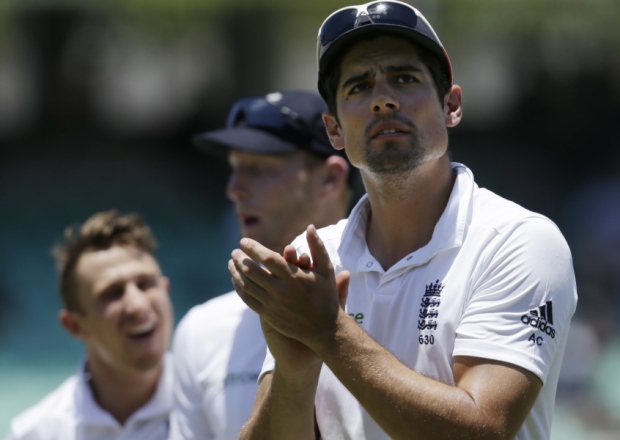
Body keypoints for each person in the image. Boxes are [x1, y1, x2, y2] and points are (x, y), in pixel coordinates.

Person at [228, 2, 578, 439]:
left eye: (405, 79)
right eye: (358, 87)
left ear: (451, 106)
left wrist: (330, 334)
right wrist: (295, 374)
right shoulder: (315, 255)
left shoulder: (519, 240)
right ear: (334, 130)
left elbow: (484, 430)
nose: (383, 99)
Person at [169, 90, 358, 439]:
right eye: (235, 168)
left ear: (330, 179)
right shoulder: (200, 334)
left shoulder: (395, 298)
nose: (234, 189)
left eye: (259, 169)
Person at [6, 210, 174, 440]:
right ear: (74, 325)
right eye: (113, 293)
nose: (137, 305)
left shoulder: (213, 405)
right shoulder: (36, 433)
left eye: (145, 284)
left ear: (166, 290)